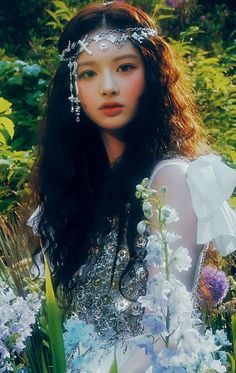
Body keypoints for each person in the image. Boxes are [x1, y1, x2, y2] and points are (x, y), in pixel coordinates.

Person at [27, 1, 236, 372]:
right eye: (89, 73)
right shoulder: (73, 189)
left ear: (151, 74)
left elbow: (167, 333)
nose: (108, 87)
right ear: (73, 88)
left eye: (125, 67)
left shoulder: (171, 179)